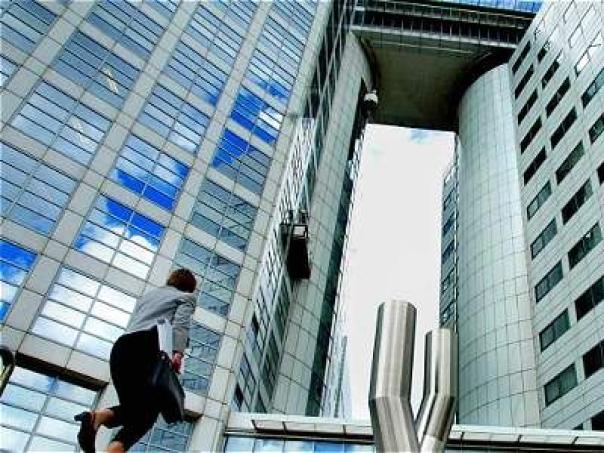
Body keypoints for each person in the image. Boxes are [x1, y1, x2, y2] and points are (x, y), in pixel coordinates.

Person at [74, 268, 197, 453]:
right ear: (190, 287)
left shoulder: (148, 296)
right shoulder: (187, 297)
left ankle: (97, 419)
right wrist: (178, 353)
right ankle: (105, 435)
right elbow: (181, 324)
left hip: (121, 349)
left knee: (136, 411)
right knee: (145, 416)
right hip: (146, 348)